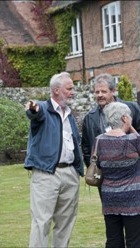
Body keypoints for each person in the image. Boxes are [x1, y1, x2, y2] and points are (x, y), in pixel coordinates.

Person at [24, 72, 84, 248]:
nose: (73, 92)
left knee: (66, 223)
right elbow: (33, 112)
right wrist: (32, 107)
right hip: (46, 174)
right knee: (42, 221)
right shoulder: (43, 109)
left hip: (70, 174)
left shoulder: (70, 115)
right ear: (57, 90)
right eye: (69, 88)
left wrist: (78, 169)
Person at [94, 101, 140, 248]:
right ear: (125, 118)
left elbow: (98, 165)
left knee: (113, 241)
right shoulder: (133, 140)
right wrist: (130, 127)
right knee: (135, 241)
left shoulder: (99, 141)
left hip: (109, 198)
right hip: (132, 199)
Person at [82, 73, 140, 169]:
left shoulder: (131, 108)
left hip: (130, 169)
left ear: (113, 91)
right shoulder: (89, 117)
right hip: (103, 173)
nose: (100, 95)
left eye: (103, 91)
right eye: (97, 92)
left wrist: (130, 142)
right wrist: (92, 168)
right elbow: (86, 147)